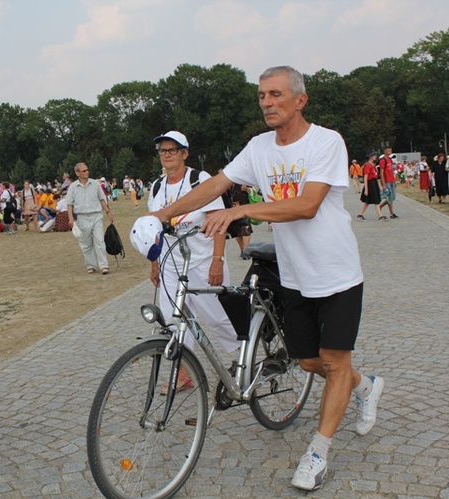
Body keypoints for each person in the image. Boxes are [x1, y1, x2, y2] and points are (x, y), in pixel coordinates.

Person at [152, 66, 383, 491]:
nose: (267, 103)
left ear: (300, 100)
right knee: (310, 362)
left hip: (336, 272)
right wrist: (162, 215)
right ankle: (365, 385)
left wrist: (241, 211)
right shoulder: (258, 148)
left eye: (276, 94)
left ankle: (318, 452)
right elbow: (219, 182)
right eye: (261, 96)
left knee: (333, 362)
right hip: (292, 275)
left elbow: (308, 204)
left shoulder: (325, 141)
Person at [145, 131, 240, 393]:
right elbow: (154, 228)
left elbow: (219, 221)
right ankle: (183, 373)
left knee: (219, 317)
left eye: (172, 150)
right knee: (174, 319)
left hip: (202, 260)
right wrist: (155, 264)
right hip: (171, 264)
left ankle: (244, 360)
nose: (166, 155)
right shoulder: (156, 186)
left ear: (185, 153)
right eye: (162, 151)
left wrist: (217, 261)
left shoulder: (200, 180)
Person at [66, 162, 114, 274]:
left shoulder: (95, 184)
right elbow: (69, 204)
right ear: (77, 173)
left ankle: (104, 265)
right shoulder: (73, 187)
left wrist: (108, 212)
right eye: (84, 171)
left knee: (100, 241)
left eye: (87, 170)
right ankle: (91, 265)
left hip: (96, 215)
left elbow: (102, 199)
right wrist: (70, 219)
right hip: (82, 217)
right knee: (86, 244)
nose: (87, 172)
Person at [356, 150, 386, 221]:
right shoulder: (367, 165)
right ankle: (380, 216)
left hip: (374, 183)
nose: (375, 156)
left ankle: (360, 214)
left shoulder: (373, 165)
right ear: (370, 156)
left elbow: (375, 176)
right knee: (376, 200)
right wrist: (366, 188)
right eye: (374, 155)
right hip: (370, 183)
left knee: (368, 201)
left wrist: (379, 185)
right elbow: (366, 177)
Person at [377, 146, 398, 218]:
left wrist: (395, 181)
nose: (390, 152)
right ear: (385, 151)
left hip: (391, 180)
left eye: (390, 150)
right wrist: (383, 184)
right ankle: (391, 213)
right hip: (387, 181)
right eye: (388, 151)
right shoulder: (383, 160)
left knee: (392, 197)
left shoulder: (390, 159)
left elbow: (391, 171)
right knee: (390, 197)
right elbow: (381, 173)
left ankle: (380, 206)